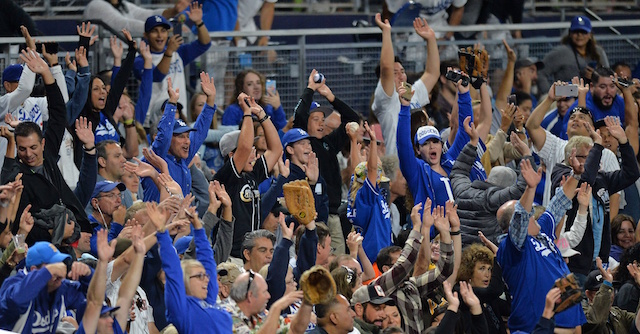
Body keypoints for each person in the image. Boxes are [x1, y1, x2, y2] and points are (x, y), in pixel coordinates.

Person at [2, 49, 94, 243]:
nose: (28, 154)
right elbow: (19, 225)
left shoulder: (49, 153)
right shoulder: (18, 177)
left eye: (33, 147)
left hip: (76, 233)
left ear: (43, 143)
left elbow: (59, 113)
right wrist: (54, 235)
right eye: (22, 149)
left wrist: (47, 75)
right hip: (48, 247)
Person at [496, 158, 586, 333]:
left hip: (569, 320)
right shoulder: (512, 247)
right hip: (537, 326)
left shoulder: (540, 233)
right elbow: (520, 218)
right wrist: (530, 189)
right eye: (531, 213)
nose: (534, 215)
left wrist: (576, 175)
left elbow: (557, 205)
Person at [550, 117, 639, 280]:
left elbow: (631, 173)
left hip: (599, 263)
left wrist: (624, 143)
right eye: (589, 156)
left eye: (596, 156)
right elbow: (585, 179)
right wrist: (598, 145)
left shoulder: (600, 179)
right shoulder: (562, 175)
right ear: (572, 157)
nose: (596, 161)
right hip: (573, 263)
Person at [291, 70, 361, 255]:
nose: (321, 123)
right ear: (306, 122)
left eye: (323, 119)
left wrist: (331, 97)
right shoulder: (303, 145)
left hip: (333, 213)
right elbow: (299, 114)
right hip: (312, 216)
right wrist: (310, 89)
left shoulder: (329, 143)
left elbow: (353, 119)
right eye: (316, 119)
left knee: (337, 260)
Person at [525, 78, 621, 206]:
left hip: (593, 221)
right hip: (558, 220)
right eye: (572, 118)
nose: (576, 120)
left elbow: (615, 195)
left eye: (582, 118)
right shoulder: (555, 145)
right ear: (566, 130)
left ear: (592, 129)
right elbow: (531, 126)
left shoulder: (607, 155)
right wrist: (550, 99)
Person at [146, 201, 233, 333]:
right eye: (199, 276)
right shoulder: (181, 311)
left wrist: (198, 228)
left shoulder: (208, 300)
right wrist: (162, 233)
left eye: (205, 276)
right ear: (184, 280)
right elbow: (173, 269)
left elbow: (208, 261)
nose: (206, 280)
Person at [214, 92, 282, 259]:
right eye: (249, 150)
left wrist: (262, 115)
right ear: (231, 155)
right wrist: (246, 113)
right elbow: (243, 148)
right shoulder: (225, 177)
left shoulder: (252, 175)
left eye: (254, 149)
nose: (253, 154)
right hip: (231, 256)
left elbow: (276, 149)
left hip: (252, 254)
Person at [451, 116, 527, 245]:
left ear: (487, 179)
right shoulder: (494, 200)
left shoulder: (463, 190)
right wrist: (527, 155)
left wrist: (473, 142)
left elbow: (458, 171)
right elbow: (520, 189)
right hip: (484, 258)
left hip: (460, 254)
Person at [141, 72, 216, 201]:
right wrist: (171, 104)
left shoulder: (182, 160)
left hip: (180, 219)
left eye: (187, 136)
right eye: (181, 136)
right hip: (158, 220)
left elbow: (200, 132)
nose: (187, 141)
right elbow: (164, 135)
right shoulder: (155, 158)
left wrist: (210, 101)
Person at [373, 14, 439, 157]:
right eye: (395, 73)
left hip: (421, 163)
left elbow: (432, 74)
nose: (401, 75)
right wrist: (386, 32)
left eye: (402, 71)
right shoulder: (386, 100)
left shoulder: (410, 95)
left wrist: (431, 39)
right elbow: (386, 67)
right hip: (399, 170)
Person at [135, 6, 211, 128]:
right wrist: (169, 52)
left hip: (179, 117)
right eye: (155, 31)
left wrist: (199, 22)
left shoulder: (178, 52)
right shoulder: (140, 60)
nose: (160, 35)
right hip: (152, 122)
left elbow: (204, 44)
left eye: (163, 31)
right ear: (146, 35)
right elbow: (158, 76)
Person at [0, 241, 93, 333]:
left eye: (59, 263)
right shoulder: (13, 284)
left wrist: (88, 275)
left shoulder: (60, 286)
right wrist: (47, 272)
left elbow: (94, 300)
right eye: (53, 265)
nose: (60, 269)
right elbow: (16, 300)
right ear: (34, 270)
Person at [75, 228, 146, 334]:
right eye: (103, 316)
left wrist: (140, 255)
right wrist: (103, 262)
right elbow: (95, 303)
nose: (110, 320)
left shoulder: (115, 330)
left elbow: (126, 296)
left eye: (109, 315)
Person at [558, 66, 635, 140]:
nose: (608, 92)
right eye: (603, 87)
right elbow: (573, 140)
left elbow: (632, 126)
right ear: (592, 87)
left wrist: (627, 91)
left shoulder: (618, 102)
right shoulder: (580, 107)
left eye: (612, 86)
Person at [538, 16, 610, 93]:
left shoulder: (598, 51)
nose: (579, 35)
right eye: (576, 32)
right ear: (570, 34)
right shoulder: (561, 52)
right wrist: (549, 95)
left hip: (593, 96)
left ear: (590, 35)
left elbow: (609, 76)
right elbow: (540, 73)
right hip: (566, 98)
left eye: (583, 32)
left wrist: (595, 76)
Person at [582, 257, 635, 333]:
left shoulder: (618, 314)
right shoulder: (582, 314)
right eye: (601, 290)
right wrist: (606, 285)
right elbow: (596, 321)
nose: (608, 294)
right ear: (588, 294)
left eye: (611, 289)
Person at [222, 69, 287, 131]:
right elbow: (229, 138)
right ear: (241, 89)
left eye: (258, 83)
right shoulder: (232, 110)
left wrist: (278, 108)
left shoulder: (268, 108)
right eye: (250, 84)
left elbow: (283, 133)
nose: (256, 87)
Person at [83, 0, 189, 36]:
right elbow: (123, 24)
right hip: (103, 61)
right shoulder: (96, 4)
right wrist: (163, 29)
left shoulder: (123, 4)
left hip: (125, 58)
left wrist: (173, 11)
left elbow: (147, 14)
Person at [88, 181, 127, 256]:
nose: (119, 201)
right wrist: (118, 225)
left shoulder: (114, 224)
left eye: (119, 195)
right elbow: (102, 251)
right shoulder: (89, 226)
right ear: (95, 203)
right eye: (111, 196)